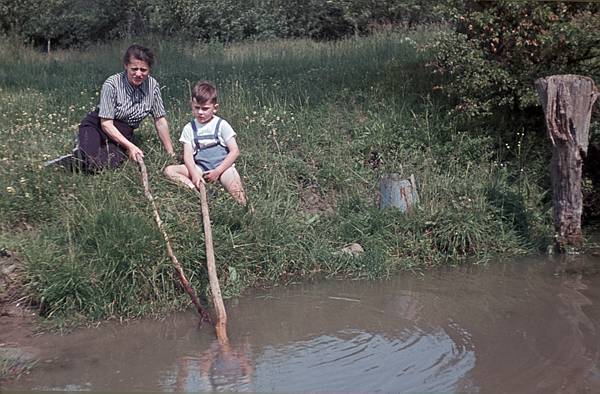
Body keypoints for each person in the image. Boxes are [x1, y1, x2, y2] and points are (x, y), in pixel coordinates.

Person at [45, 44, 174, 171]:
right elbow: (106, 124)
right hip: (98, 126)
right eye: (134, 69)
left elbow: (160, 120)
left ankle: (79, 154)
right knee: (90, 157)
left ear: (149, 69)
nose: (139, 74)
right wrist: (131, 146)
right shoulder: (112, 84)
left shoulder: (153, 86)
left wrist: (170, 153)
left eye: (143, 70)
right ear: (126, 66)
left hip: (123, 133)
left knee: (106, 164)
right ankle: (61, 161)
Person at [164, 80, 246, 205]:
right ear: (191, 105)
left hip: (223, 167)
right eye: (197, 108)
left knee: (236, 190)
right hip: (200, 167)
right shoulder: (189, 128)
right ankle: (197, 190)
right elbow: (188, 156)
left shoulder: (221, 125)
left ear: (215, 108)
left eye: (205, 108)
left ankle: (244, 209)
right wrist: (194, 174)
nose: (200, 112)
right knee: (170, 171)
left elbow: (235, 151)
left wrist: (218, 171)